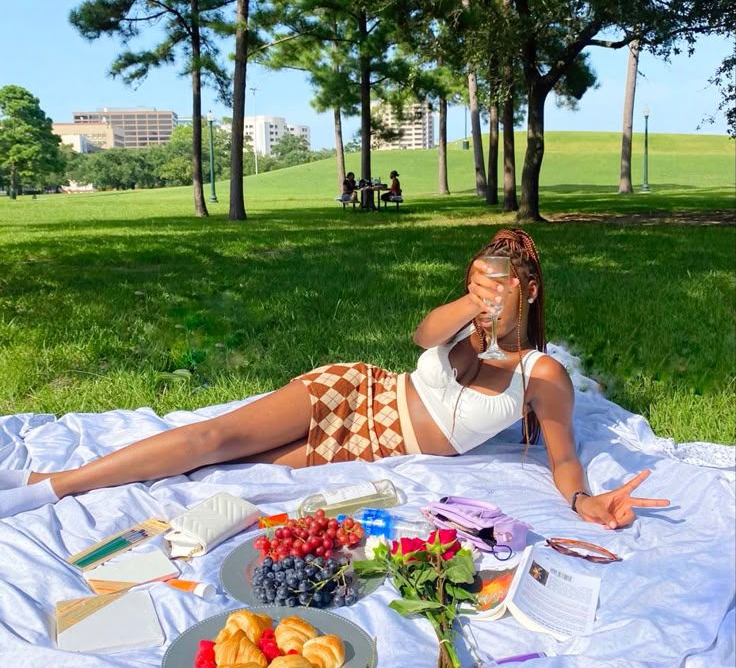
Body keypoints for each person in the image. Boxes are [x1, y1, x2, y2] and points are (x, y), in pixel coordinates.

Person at [0, 229, 669, 526]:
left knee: (221, 471)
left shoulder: (541, 372)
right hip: (356, 394)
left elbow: (563, 457)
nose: (483, 299)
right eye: (472, 285)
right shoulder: (465, 330)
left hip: (371, 445)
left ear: (529, 287)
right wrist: (473, 305)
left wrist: (586, 503)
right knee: (214, 437)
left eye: (495, 288)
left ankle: (58, 482)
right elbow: (424, 337)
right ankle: (46, 487)